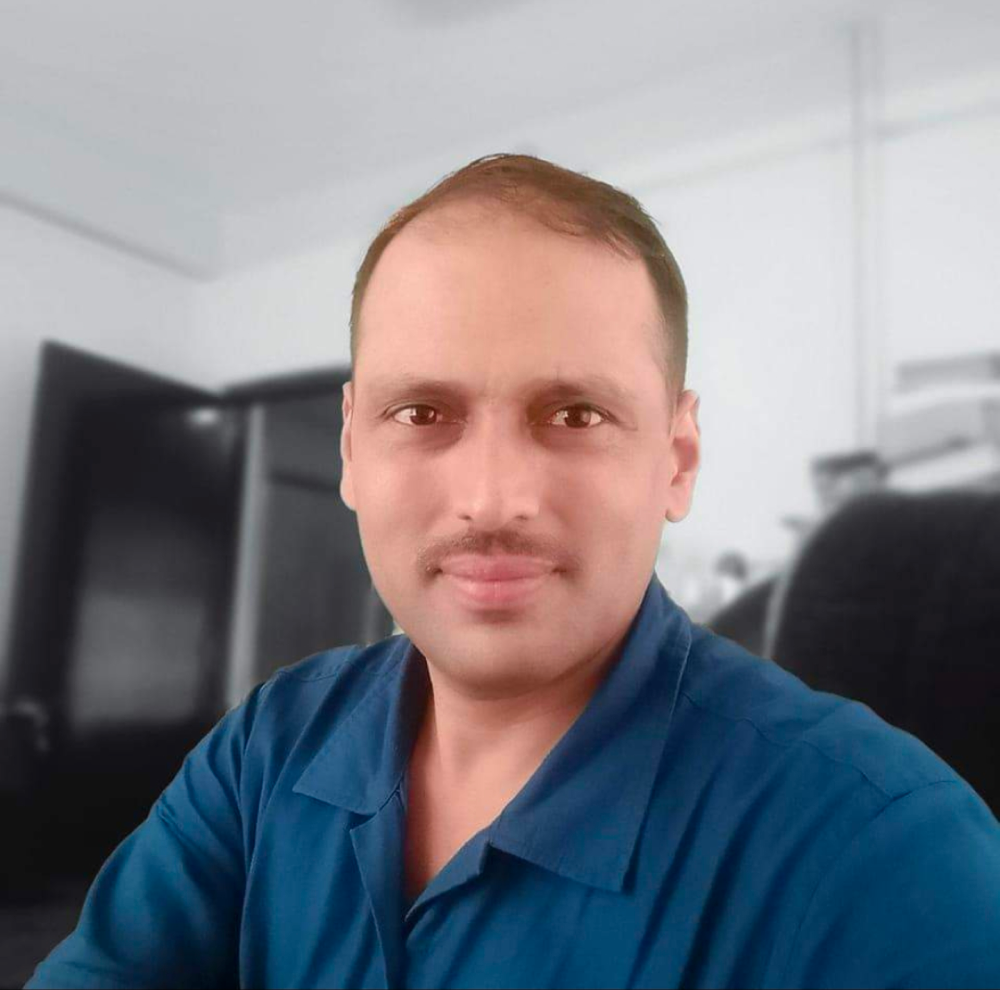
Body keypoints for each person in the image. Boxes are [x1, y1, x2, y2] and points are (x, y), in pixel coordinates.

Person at [27, 154, 1000, 989]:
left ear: (676, 459)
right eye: (422, 413)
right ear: (352, 450)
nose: (491, 499)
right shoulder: (267, 748)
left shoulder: (884, 857)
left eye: (574, 414)